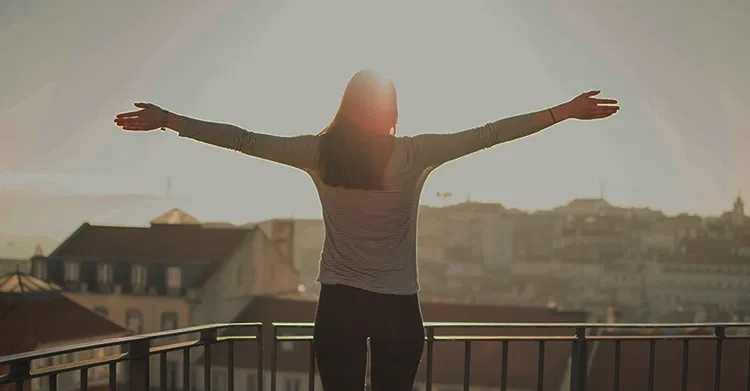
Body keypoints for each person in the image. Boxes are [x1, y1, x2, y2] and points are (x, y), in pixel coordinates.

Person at [114, 69, 619, 390]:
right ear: (392, 111)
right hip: (398, 306)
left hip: (339, 305)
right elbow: (490, 134)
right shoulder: (414, 153)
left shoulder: (317, 153)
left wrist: (169, 120)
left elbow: (243, 140)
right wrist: (562, 113)